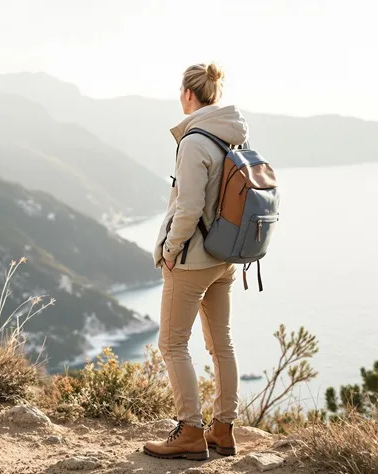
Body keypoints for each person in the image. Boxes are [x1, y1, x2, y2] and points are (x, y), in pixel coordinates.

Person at [143, 62, 248, 461]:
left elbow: (187, 208)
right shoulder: (232, 135)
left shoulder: (193, 141)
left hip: (192, 260)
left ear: (188, 94)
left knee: (172, 344)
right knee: (221, 342)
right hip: (225, 256)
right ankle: (223, 429)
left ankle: (190, 431)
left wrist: (169, 251)